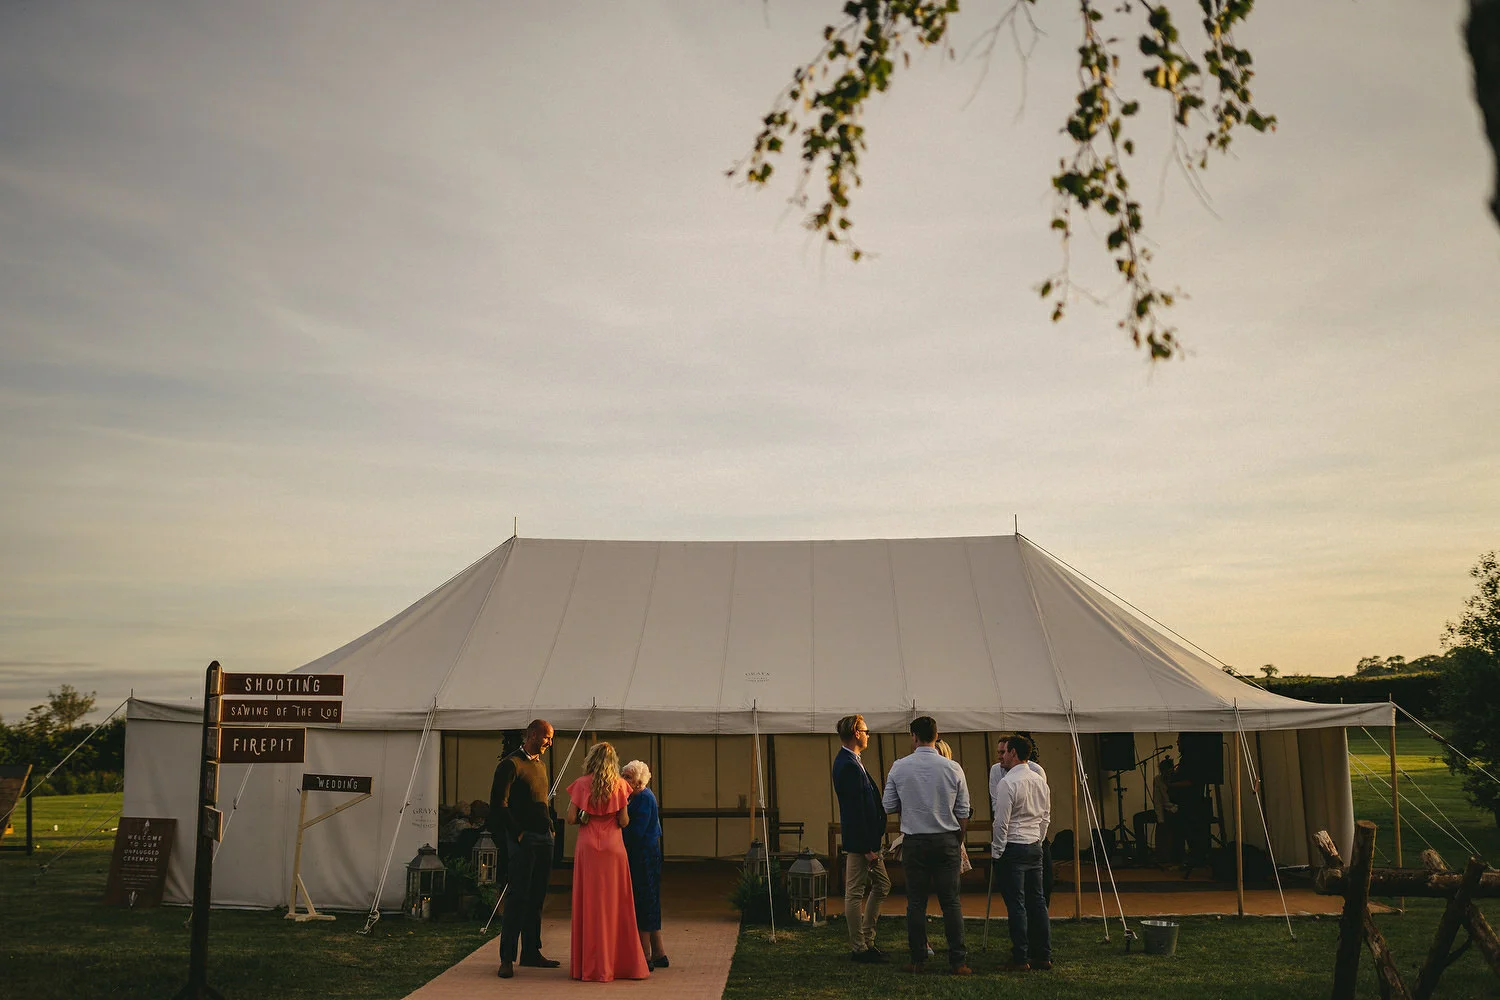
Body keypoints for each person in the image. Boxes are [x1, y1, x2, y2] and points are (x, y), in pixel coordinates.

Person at [881, 716, 973, 976]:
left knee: (916, 903)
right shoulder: (953, 767)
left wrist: (910, 803)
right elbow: (963, 810)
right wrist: (958, 839)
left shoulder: (900, 767)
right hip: (946, 840)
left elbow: (888, 805)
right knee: (951, 902)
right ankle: (958, 961)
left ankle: (918, 959)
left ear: (913, 737)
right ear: (936, 735)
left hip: (915, 841)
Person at [565, 742, 650, 983]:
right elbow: (623, 821)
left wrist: (587, 816)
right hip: (613, 847)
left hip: (588, 846)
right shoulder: (621, 785)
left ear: (591, 759)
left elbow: (570, 818)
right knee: (616, 903)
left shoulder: (581, 784)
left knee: (589, 903)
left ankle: (590, 965)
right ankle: (618, 963)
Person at [490, 719, 559, 979]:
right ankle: (506, 958)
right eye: (547, 737)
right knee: (517, 897)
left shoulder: (540, 766)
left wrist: (550, 827)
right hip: (523, 839)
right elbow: (499, 804)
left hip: (544, 838)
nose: (550, 742)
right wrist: (517, 832)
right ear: (532, 735)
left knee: (537, 897)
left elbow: (541, 800)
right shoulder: (511, 764)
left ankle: (531, 951)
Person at [991, 734, 1052, 972]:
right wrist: (1038, 839)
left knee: (1016, 905)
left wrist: (997, 851)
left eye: (1004, 752)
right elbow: (1045, 817)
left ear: (1013, 753)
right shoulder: (1040, 781)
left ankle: (1020, 957)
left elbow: (1001, 822)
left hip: (1013, 846)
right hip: (1034, 845)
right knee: (1037, 902)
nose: (1001, 757)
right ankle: (1043, 954)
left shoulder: (1007, 783)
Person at [832, 714, 890, 964]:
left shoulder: (853, 761)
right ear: (856, 733)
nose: (868, 735)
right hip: (861, 844)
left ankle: (867, 938)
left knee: (883, 885)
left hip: (867, 841)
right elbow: (854, 811)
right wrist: (867, 848)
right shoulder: (847, 765)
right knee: (854, 892)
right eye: (866, 731)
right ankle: (859, 947)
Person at [620, 759, 668, 970]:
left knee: (644, 902)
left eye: (628, 777)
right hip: (644, 855)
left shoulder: (643, 798)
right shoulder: (637, 797)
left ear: (639, 782)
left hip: (645, 856)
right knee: (650, 902)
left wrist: (617, 829)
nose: (623, 779)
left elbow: (635, 832)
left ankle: (645, 956)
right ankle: (659, 953)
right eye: (623, 775)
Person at [1133, 755, 1178, 864]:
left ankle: (1169, 855)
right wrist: (1160, 819)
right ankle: (1142, 853)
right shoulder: (1158, 779)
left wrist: (1172, 811)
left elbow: (1181, 801)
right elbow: (1157, 801)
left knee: (1171, 823)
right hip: (1163, 810)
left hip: (1175, 811)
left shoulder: (1178, 779)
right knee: (1138, 818)